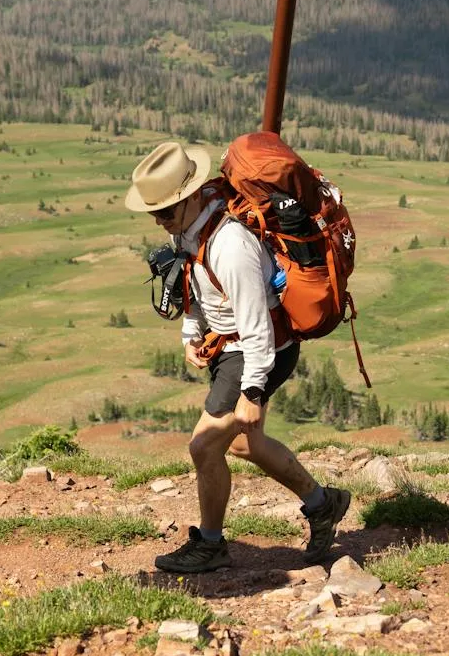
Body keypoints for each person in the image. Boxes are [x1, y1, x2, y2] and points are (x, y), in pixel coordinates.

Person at [124, 141, 352, 573]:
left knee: (204, 446)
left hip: (255, 352)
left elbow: (256, 326)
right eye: (154, 212)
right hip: (234, 347)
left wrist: (252, 389)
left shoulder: (230, 245)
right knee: (248, 443)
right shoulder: (191, 223)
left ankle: (210, 544)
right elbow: (191, 275)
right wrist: (192, 331)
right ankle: (324, 503)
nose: (159, 220)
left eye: (166, 211)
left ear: (190, 196)